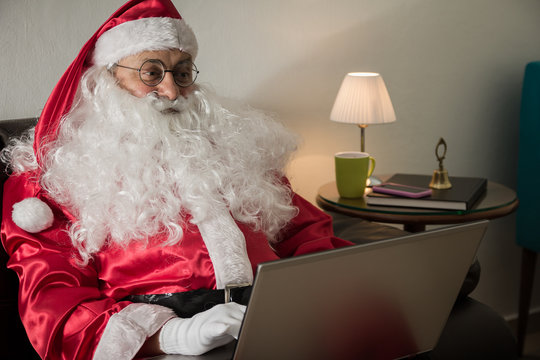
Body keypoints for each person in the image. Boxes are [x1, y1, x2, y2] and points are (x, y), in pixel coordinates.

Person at [0, 1, 351, 359]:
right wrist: (175, 336)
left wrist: (313, 294)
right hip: (157, 342)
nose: (171, 92)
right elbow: (54, 305)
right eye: (151, 73)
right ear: (106, 78)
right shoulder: (54, 178)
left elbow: (308, 233)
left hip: (271, 324)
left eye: (182, 74)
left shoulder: (237, 151)